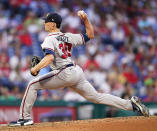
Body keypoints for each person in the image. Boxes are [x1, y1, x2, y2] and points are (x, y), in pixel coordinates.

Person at [9, 11, 150, 126]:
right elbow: (90, 35)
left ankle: (25, 118)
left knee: (32, 84)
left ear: (52, 24)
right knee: (96, 97)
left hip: (64, 72)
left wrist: (35, 69)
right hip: (76, 72)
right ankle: (131, 105)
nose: (44, 23)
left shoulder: (49, 39)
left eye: (46, 21)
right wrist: (86, 19)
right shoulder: (68, 36)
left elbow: (50, 58)